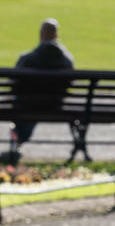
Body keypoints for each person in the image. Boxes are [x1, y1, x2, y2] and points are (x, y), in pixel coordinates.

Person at [11, 18, 75, 154]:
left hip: (29, 105)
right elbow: (70, 83)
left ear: (41, 35)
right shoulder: (66, 60)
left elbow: (14, 83)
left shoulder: (27, 59)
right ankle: (21, 137)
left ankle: (20, 137)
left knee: (26, 102)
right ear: (56, 36)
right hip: (55, 105)